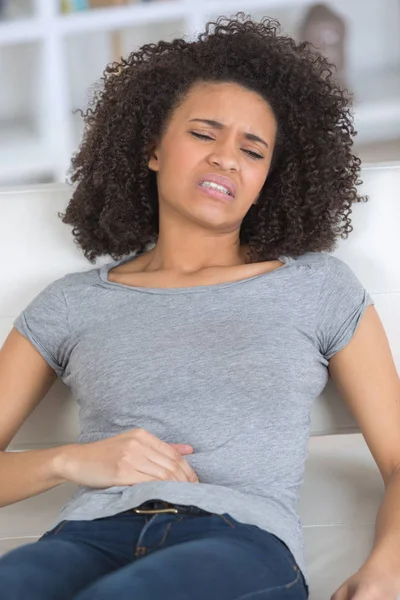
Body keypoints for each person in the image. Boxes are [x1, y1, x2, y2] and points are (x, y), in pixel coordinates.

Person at [0, 12, 374, 600]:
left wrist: (389, 569)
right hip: (85, 536)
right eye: (204, 134)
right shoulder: (71, 304)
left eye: (253, 151)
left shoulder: (318, 288)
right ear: (152, 149)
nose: (226, 157)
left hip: (239, 543)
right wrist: (67, 462)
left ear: (267, 179)